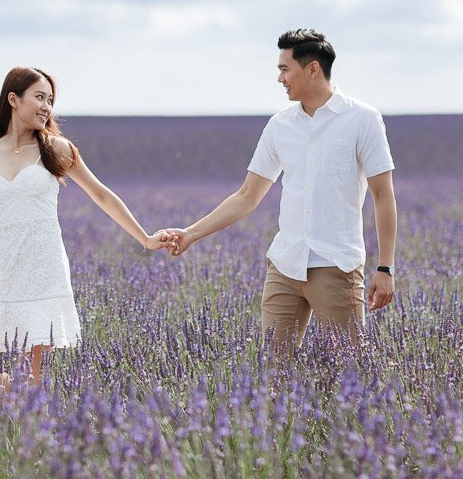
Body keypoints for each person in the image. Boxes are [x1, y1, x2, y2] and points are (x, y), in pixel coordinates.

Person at [162, 29, 397, 354]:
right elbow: (247, 196)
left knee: (351, 371)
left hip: (336, 265)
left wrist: (385, 268)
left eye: (285, 69)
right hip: (284, 266)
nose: (279, 78)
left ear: (312, 69)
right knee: (272, 375)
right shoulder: (279, 126)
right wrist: (190, 234)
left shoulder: (363, 119)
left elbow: (383, 195)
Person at [0, 67, 169, 388]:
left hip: (43, 270)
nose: (46, 106)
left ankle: (32, 432)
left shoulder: (56, 149)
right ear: (13, 99)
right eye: (39, 97)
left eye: (50, 100)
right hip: (5, 271)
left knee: (31, 380)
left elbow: (100, 193)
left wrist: (145, 238)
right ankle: (9, 413)